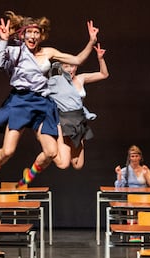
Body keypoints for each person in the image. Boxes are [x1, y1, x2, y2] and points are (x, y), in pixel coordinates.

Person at [0, 11, 98, 187]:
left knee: (52, 152)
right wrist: (3, 41)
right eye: (29, 33)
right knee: (8, 151)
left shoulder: (48, 52)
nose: (32, 36)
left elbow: (77, 60)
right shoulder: (16, 51)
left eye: (36, 33)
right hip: (21, 101)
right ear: (22, 34)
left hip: (42, 103)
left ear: (41, 35)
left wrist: (91, 42)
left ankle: (26, 178)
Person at [47, 42, 109, 170]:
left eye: (72, 66)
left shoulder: (81, 78)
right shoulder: (55, 81)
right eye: (66, 66)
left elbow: (104, 74)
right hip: (62, 122)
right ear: (60, 68)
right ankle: (47, 154)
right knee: (63, 164)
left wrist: (100, 59)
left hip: (78, 122)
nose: (70, 69)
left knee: (78, 164)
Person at [114, 145, 150, 242]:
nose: (135, 158)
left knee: (141, 210)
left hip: (143, 198)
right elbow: (119, 187)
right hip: (130, 198)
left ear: (140, 157)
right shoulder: (125, 171)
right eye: (132, 156)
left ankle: (140, 233)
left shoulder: (145, 170)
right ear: (129, 158)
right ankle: (133, 233)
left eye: (136, 156)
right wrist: (119, 175)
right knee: (131, 207)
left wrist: (147, 175)